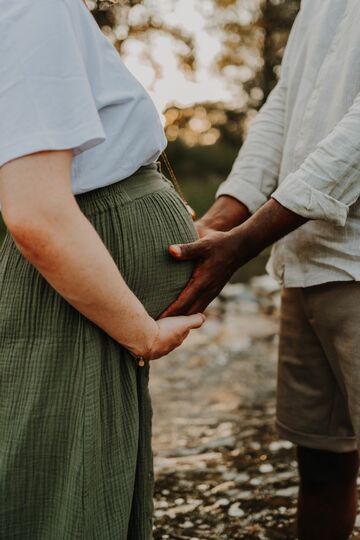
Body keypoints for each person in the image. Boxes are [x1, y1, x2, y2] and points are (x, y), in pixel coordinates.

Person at [0, 0, 205, 538]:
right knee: (59, 496)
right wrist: (143, 333)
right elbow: (37, 212)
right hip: (59, 294)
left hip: (71, 292)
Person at [163, 0, 360, 538]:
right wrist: (223, 217)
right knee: (320, 462)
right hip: (303, 262)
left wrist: (247, 240)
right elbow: (285, 103)